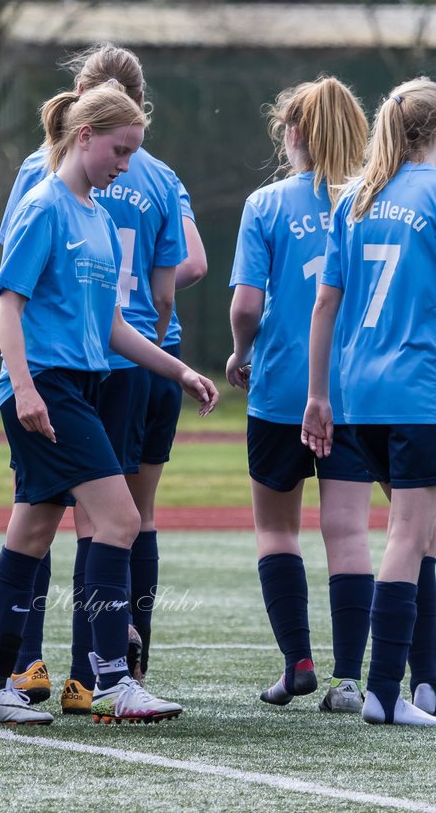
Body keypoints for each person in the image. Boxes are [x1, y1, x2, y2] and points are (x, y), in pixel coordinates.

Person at [0, 86, 217, 726]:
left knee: (32, 530)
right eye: (119, 149)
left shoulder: (98, 215)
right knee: (121, 520)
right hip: (47, 385)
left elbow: (112, 329)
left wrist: (180, 369)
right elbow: (8, 306)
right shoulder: (43, 206)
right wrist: (22, 387)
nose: (125, 164)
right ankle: (110, 681)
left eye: (133, 152)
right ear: (83, 137)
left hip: (84, 385)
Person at [226, 77, 376, 713]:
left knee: (277, 531)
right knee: (348, 532)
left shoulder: (266, 204)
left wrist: (240, 353)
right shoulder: (376, 201)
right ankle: (348, 680)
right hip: (354, 393)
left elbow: (246, 304)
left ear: (292, 133)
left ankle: (298, 664)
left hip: (283, 389)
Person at [303, 77, 436, 727]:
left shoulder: (354, 197)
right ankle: (387, 691)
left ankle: (429, 680)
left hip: (360, 394)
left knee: (424, 531)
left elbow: (325, 303)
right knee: (408, 535)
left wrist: (317, 395)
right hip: (419, 389)